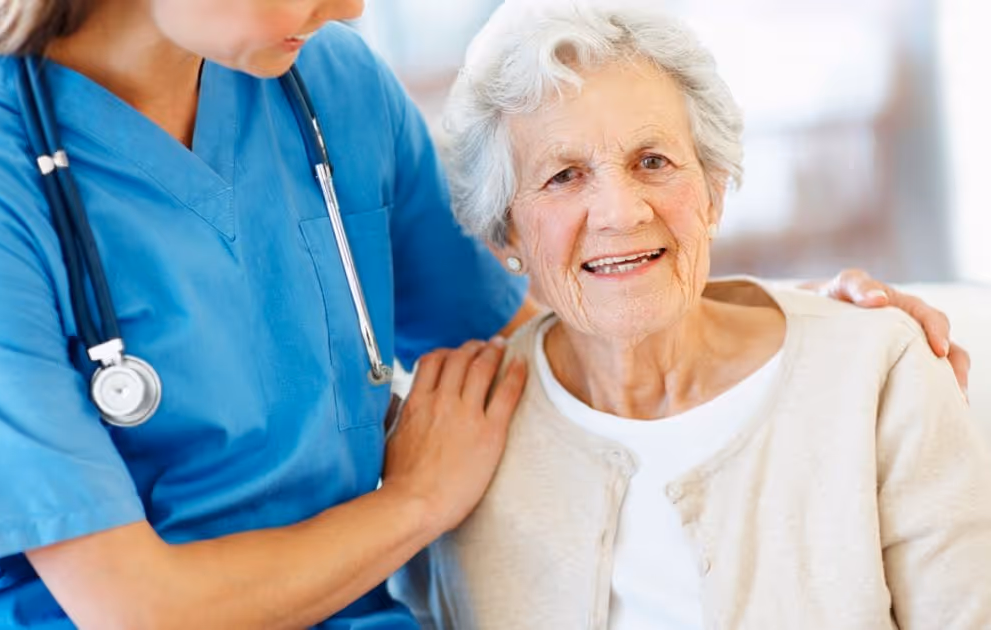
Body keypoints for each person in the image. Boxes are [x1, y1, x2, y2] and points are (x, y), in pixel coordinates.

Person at [0, 0, 969, 628]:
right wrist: (412, 506)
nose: (353, 6)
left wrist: (795, 331)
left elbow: (532, 318)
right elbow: (135, 609)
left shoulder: (328, 82)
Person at [390, 2, 991, 628]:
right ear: (504, 235)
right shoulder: (454, 432)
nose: (621, 213)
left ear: (713, 192)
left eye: (653, 161)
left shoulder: (879, 375)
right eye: (564, 176)